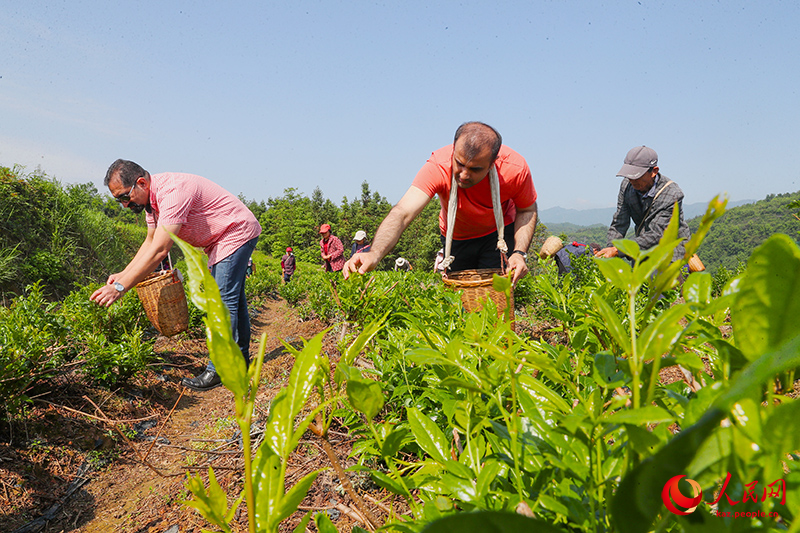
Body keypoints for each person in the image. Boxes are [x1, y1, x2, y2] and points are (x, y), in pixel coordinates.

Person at [90, 159, 261, 392]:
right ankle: (239, 362)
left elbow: (161, 249)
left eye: (124, 197)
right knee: (232, 300)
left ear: (141, 183)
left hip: (235, 232)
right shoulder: (152, 203)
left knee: (222, 302)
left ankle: (220, 369)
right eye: (118, 200)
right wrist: (123, 274)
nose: (124, 205)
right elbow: (150, 243)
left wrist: (121, 288)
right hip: (220, 241)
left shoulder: (173, 192)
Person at [343, 122, 538, 285]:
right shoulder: (439, 165)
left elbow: (527, 209)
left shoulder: (515, 169)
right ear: (453, 150)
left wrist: (519, 253)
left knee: (494, 292)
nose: (463, 175)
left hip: (497, 236)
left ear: (493, 162)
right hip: (456, 236)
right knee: (460, 295)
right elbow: (402, 213)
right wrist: (374, 253)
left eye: (475, 169)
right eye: (459, 163)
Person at [594, 146, 691, 262]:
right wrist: (610, 249)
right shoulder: (627, 186)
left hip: (670, 253)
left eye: (636, 176)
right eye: (629, 175)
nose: (631, 180)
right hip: (641, 247)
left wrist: (617, 250)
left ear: (654, 171)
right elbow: (619, 222)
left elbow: (657, 235)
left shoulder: (672, 194)